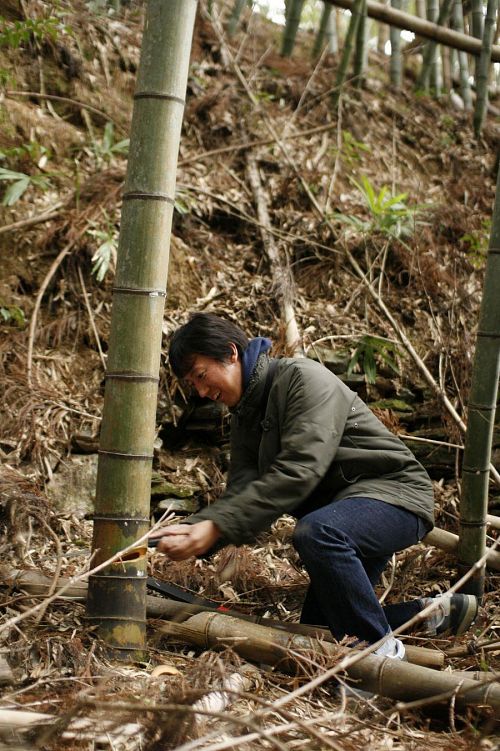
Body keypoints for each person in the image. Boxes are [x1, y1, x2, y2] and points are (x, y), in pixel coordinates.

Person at [151, 312, 478, 659]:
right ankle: (428, 615)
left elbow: (300, 469)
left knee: (316, 533)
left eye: (201, 376)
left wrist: (215, 527)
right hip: (344, 514)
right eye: (193, 384)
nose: (202, 391)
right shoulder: (245, 414)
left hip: (393, 496)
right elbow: (242, 493)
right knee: (323, 627)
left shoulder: (301, 379)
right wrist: (191, 529)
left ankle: (381, 658)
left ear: (231, 353)